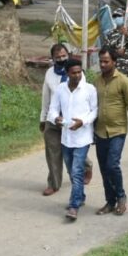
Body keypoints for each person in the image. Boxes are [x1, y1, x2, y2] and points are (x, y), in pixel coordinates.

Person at [46, 59, 97, 220]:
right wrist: (56, 119)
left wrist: (83, 122)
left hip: (83, 137)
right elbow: (53, 109)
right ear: (67, 73)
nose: (77, 75)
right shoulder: (61, 89)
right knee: (71, 170)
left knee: (76, 171)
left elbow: (95, 111)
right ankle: (80, 196)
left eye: (79, 72)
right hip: (66, 137)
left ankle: (74, 205)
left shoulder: (89, 89)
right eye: (73, 72)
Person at [93, 47, 128, 216]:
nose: (103, 64)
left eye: (106, 61)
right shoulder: (96, 82)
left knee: (112, 165)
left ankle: (121, 196)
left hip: (117, 131)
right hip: (100, 132)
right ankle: (110, 202)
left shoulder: (123, 81)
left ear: (114, 62)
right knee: (104, 169)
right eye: (101, 61)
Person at [101, 8, 128, 124]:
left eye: (119, 16)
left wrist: (127, 35)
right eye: (115, 16)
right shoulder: (110, 34)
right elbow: (106, 51)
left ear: (124, 17)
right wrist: (116, 53)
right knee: (114, 93)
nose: (117, 18)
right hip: (115, 70)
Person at [39, 43, 70, 195]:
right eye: (58, 57)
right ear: (52, 58)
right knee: (52, 152)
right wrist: (43, 118)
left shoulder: (75, 71)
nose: (61, 59)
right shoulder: (49, 74)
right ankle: (53, 183)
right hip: (52, 119)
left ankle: (86, 167)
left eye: (64, 56)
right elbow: (46, 97)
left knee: (72, 151)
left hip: (69, 120)